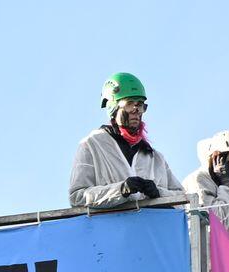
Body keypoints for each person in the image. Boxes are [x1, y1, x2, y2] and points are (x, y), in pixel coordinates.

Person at [69, 73, 182, 208]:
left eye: (140, 105)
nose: (136, 111)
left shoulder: (155, 157)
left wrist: (159, 193)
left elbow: (183, 200)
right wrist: (120, 190)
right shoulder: (92, 145)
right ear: (113, 107)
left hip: (151, 222)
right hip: (113, 222)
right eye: (129, 104)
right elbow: (77, 197)